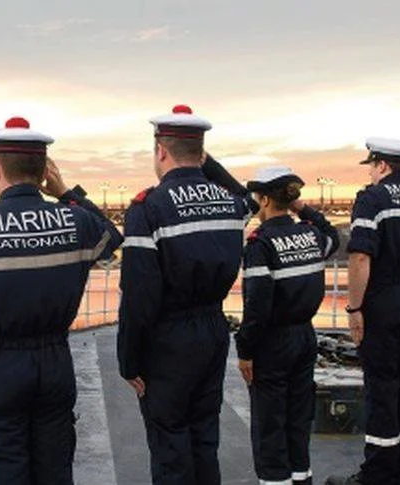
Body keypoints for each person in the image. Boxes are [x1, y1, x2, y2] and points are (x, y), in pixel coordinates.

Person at [0, 116, 123, 484]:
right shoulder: (74, 222)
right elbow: (112, 237)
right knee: (55, 473)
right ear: (45, 172)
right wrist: (66, 194)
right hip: (55, 366)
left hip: (0, 370)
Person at [117, 105, 253, 485]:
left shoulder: (149, 208)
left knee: (170, 445)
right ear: (202, 153)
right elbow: (247, 196)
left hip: (168, 340)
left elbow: (139, 293)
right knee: (204, 438)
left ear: (160, 150)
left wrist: (129, 361)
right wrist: (203, 162)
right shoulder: (230, 203)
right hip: (213, 330)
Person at [326, 138, 400, 485]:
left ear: (381, 165)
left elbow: (361, 257)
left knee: (381, 387)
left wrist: (354, 307)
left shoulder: (373, 198)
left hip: (385, 300)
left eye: (371, 166)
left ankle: (378, 472)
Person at [236, 167, 339, 485]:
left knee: (270, 424)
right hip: (305, 337)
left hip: (272, 342)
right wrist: (302, 209)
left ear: (264, 199)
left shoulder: (260, 245)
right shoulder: (311, 235)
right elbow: (333, 236)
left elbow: (257, 307)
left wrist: (245, 350)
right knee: (297, 418)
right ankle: (301, 479)